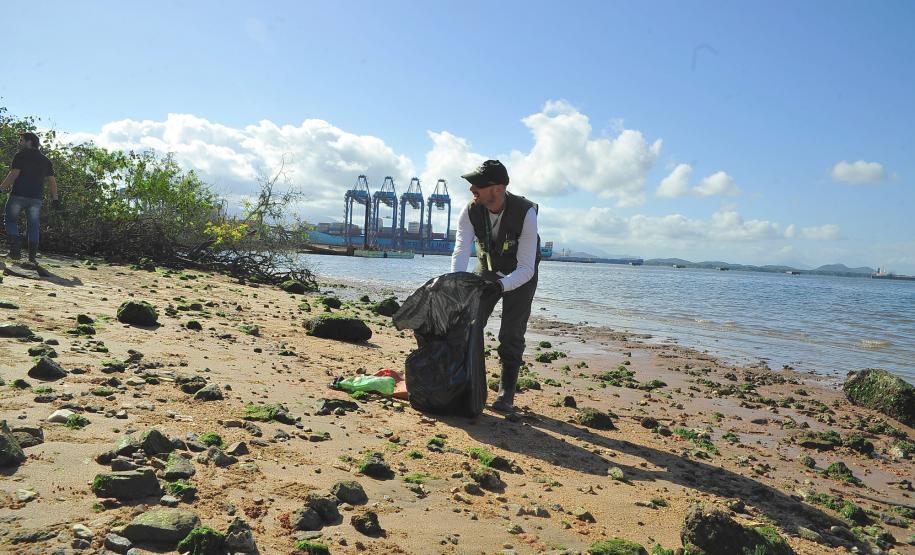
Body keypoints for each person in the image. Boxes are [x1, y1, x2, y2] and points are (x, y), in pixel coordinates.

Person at [450, 160, 541, 412]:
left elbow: (526, 269)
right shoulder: (469, 210)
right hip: (487, 269)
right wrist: (456, 282)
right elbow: (461, 250)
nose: (472, 189)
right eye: (471, 184)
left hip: (521, 275)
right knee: (470, 322)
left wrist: (501, 287)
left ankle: (506, 393)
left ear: (498, 189)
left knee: (511, 333)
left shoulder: (526, 214)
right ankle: (469, 382)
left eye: (478, 184)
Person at [0, 132, 59, 263]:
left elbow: (14, 174)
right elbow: (52, 181)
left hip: (18, 195)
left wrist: (1, 188)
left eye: (21, 140)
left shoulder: (20, 155)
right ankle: (32, 258)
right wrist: (55, 199)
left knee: (10, 220)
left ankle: (15, 248)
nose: (19, 142)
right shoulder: (46, 160)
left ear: (29, 142)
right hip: (36, 199)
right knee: (33, 225)